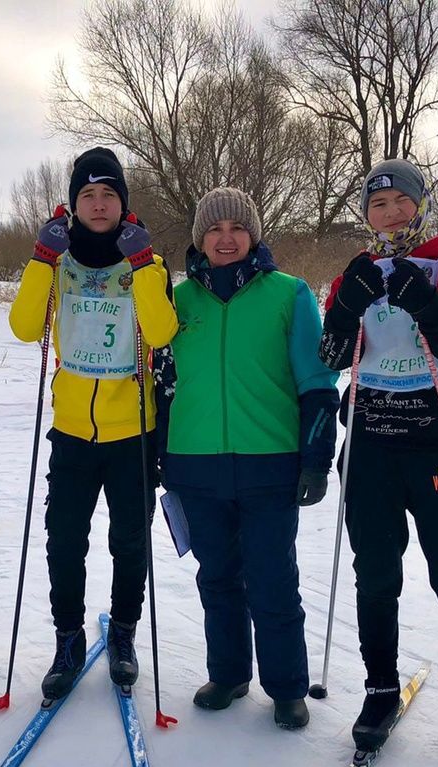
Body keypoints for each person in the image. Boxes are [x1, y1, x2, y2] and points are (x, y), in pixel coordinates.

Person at [319, 158, 438, 767]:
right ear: (367, 216)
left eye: (401, 202)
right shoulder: (357, 270)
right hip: (373, 447)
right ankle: (379, 690)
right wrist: (345, 308)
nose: (390, 213)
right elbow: (330, 356)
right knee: (376, 577)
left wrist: (421, 299)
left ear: (421, 206)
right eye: (378, 206)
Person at [157, 187, 339, 730]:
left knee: (272, 580)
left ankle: (286, 687)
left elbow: (317, 382)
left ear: (254, 235)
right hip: (194, 463)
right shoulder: (177, 302)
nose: (226, 238)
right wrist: (158, 455)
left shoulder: (289, 294)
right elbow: (160, 386)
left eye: (237, 227)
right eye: (214, 230)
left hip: (270, 461)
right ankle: (230, 674)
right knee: (217, 576)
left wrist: (316, 458)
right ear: (199, 240)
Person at [8, 148, 178, 699]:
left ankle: (124, 633)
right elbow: (24, 325)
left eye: (109, 194)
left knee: (130, 542)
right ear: (73, 202)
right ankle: (68, 638)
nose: (99, 204)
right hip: (73, 431)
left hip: (132, 429)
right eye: (88, 195)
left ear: (123, 202)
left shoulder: (145, 260)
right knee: (63, 541)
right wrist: (39, 258)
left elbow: (160, 331)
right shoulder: (57, 261)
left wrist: (146, 262)